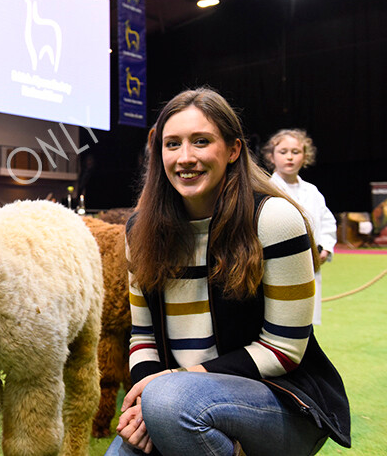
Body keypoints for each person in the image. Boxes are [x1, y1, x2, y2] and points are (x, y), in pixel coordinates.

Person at [106, 88, 350, 456]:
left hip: (279, 403)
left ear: (234, 150)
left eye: (201, 141)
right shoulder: (140, 230)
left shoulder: (274, 219)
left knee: (172, 403)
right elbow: (142, 337)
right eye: (172, 144)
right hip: (173, 400)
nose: (185, 157)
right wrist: (145, 402)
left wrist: (168, 389)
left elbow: (283, 350)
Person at [262, 129, 336, 325]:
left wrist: (326, 248)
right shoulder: (265, 189)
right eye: (283, 151)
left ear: (305, 156)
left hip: (311, 266)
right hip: (278, 267)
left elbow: (327, 222)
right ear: (271, 156)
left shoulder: (312, 192)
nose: (289, 157)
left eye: (296, 152)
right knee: (282, 322)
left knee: (307, 323)